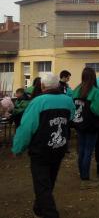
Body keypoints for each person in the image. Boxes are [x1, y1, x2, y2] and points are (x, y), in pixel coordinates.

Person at [12, 73, 75, 218]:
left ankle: (50, 213)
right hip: (59, 148)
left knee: (42, 184)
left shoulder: (38, 102)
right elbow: (71, 118)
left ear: (42, 86)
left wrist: (18, 148)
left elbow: (27, 127)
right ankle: (39, 208)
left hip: (41, 150)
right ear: (58, 85)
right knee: (49, 180)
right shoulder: (67, 100)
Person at [72, 67, 99, 189]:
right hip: (91, 125)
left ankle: (82, 173)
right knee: (88, 150)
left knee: (81, 149)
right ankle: (85, 177)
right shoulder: (94, 91)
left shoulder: (77, 89)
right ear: (93, 77)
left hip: (79, 123)